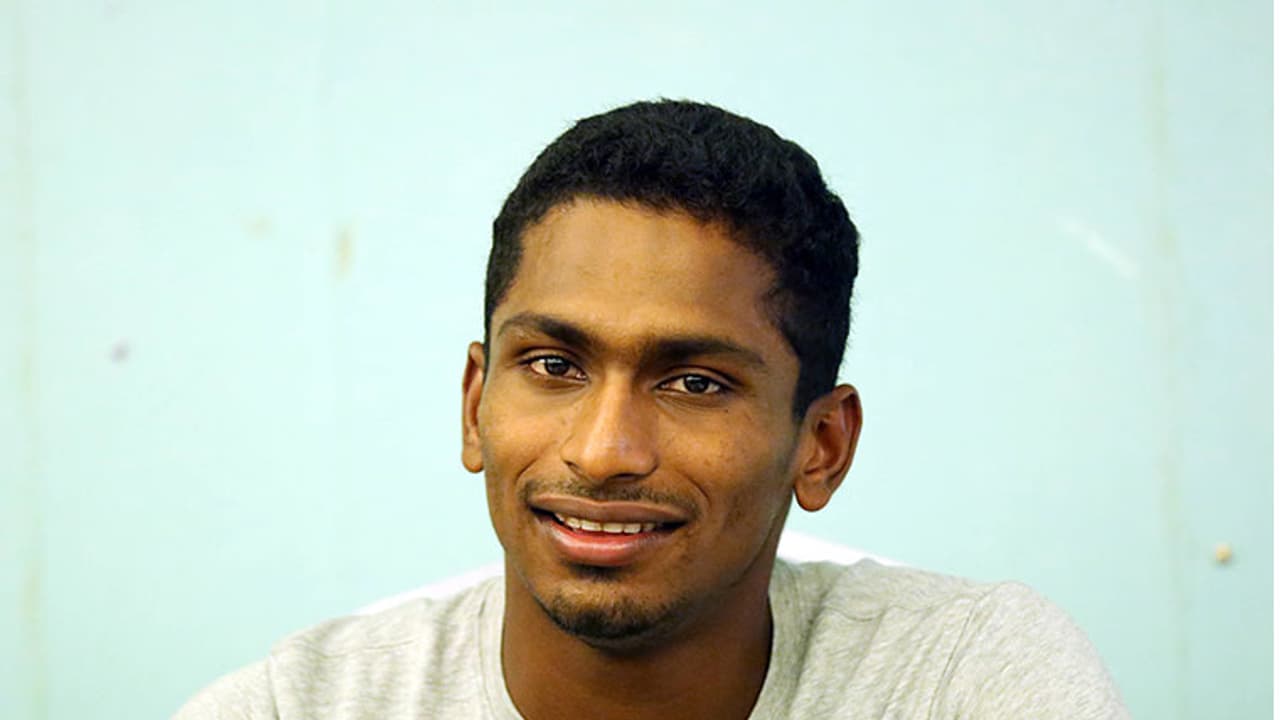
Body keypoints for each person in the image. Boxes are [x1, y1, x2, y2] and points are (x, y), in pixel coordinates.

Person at [176, 100, 1129, 719]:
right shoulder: (295, 709)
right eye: (553, 365)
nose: (603, 452)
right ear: (475, 405)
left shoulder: (961, 681)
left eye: (695, 383)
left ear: (822, 446)